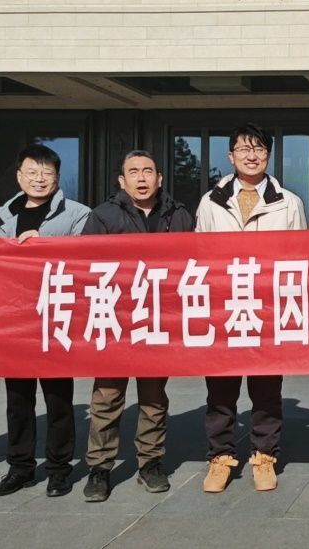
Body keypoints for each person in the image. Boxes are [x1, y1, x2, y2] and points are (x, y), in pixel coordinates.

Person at [194, 123, 306, 493]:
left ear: (268, 156)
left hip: (267, 308)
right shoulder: (211, 202)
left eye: (259, 149)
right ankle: (220, 457)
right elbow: (199, 253)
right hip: (223, 307)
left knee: (266, 388)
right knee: (220, 388)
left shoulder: (289, 202)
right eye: (244, 149)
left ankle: (264, 456)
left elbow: (299, 259)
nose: (252, 155)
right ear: (231, 156)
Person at [78, 150, 194, 502]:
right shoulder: (103, 216)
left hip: (159, 319)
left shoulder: (179, 215)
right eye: (133, 172)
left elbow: (194, 262)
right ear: (122, 180)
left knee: (154, 397)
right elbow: (84, 266)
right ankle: (100, 467)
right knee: (106, 397)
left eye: (147, 171)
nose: (141, 178)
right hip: (115, 318)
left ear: (160, 178)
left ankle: (150, 463)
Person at [0, 143, 91, 498]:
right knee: (17, 399)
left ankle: (59, 469)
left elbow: (85, 257)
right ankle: (20, 468)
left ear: (57, 178)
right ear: (19, 176)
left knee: (58, 398)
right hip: (15, 319)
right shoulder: (2, 217)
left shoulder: (77, 213)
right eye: (32, 172)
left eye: (46, 173)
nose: (39, 179)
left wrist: (43, 242)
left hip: (55, 316)